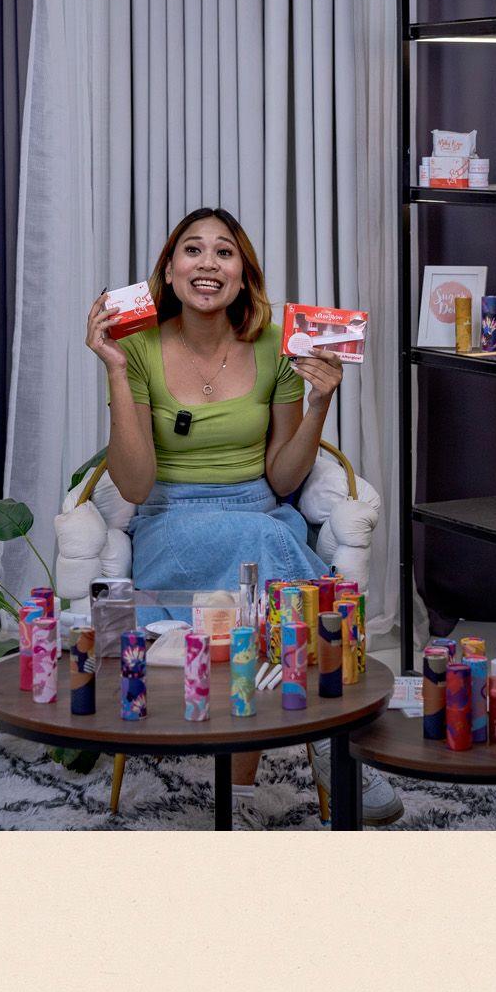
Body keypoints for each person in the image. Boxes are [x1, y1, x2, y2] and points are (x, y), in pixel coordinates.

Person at [84, 206, 403, 827]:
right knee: (285, 590)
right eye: (193, 251)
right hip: (170, 523)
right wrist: (117, 373)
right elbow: (135, 482)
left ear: (242, 273)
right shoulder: (139, 345)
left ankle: (247, 787)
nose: (208, 263)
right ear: (169, 273)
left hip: (259, 516)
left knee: (262, 572)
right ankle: (324, 759)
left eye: (224, 252)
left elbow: (284, 478)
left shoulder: (277, 343)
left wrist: (319, 403)